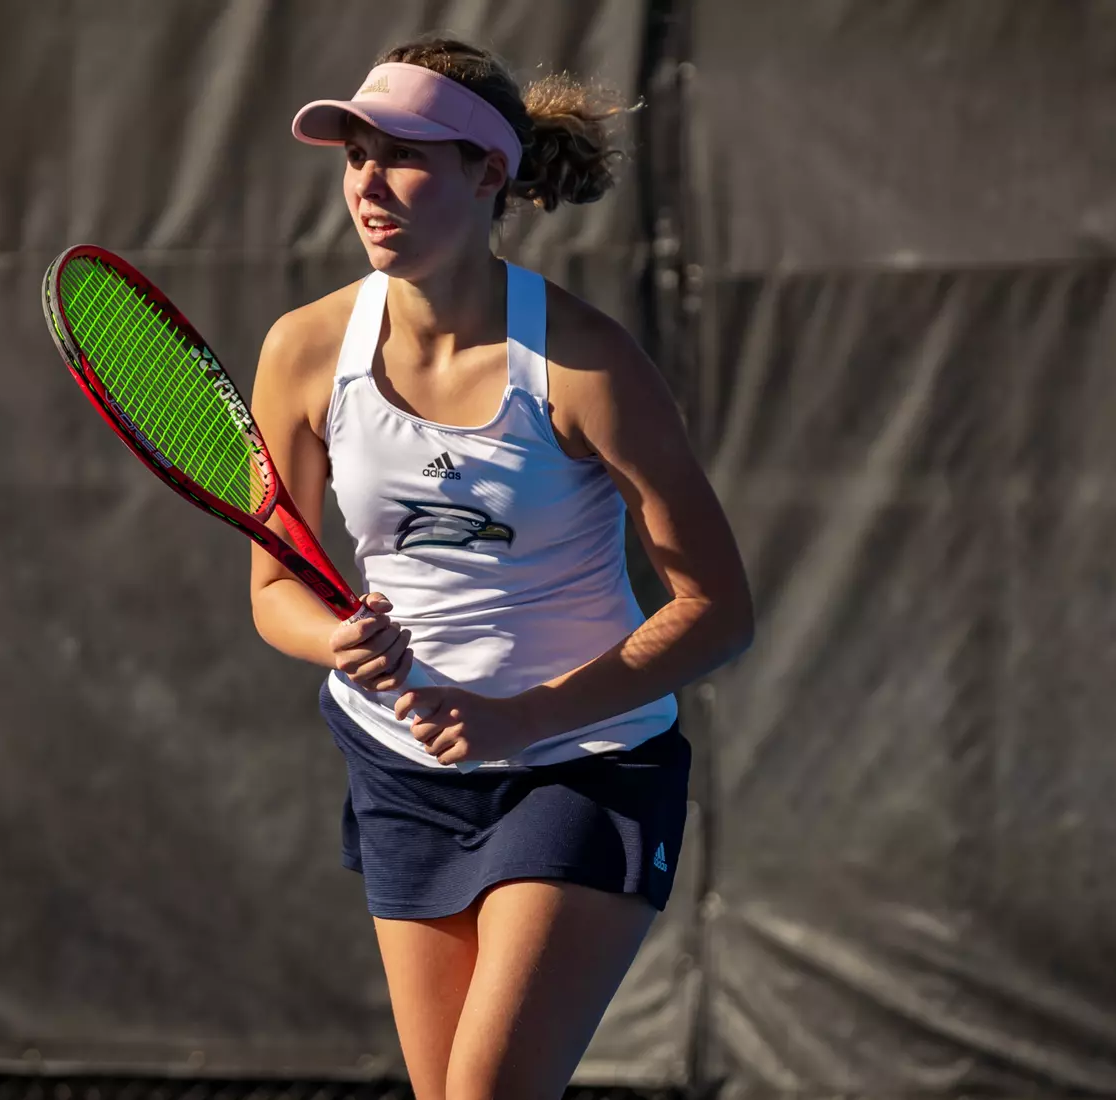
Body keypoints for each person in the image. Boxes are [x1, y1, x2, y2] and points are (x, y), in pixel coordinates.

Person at [248, 35, 753, 1100]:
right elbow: (275, 591)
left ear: (489, 175)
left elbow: (716, 609)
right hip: (401, 767)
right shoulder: (302, 350)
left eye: (407, 156)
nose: (369, 185)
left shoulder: (587, 363)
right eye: (355, 155)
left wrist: (526, 718)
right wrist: (332, 637)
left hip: (584, 763)